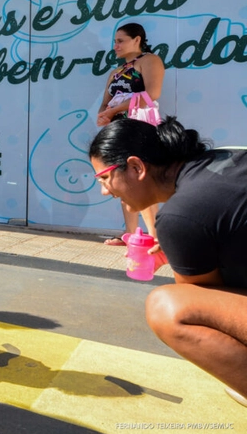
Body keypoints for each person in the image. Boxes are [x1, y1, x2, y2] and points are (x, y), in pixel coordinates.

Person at [89, 117, 247, 407]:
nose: (104, 191)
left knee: (167, 307)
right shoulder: (223, 159)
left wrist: (182, 238)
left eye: (104, 178)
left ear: (136, 167)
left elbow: (202, 299)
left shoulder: (181, 214)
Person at [96, 22, 164, 246]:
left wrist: (113, 110)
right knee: (122, 180)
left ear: (137, 40)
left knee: (142, 179)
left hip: (139, 127)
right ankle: (130, 233)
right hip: (118, 129)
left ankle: (155, 236)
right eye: (114, 41)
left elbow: (152, 93)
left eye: (120, 41)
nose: (115, 46)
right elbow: (105, 102)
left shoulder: (149, 60)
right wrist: (104, 115)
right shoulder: (115, 72)